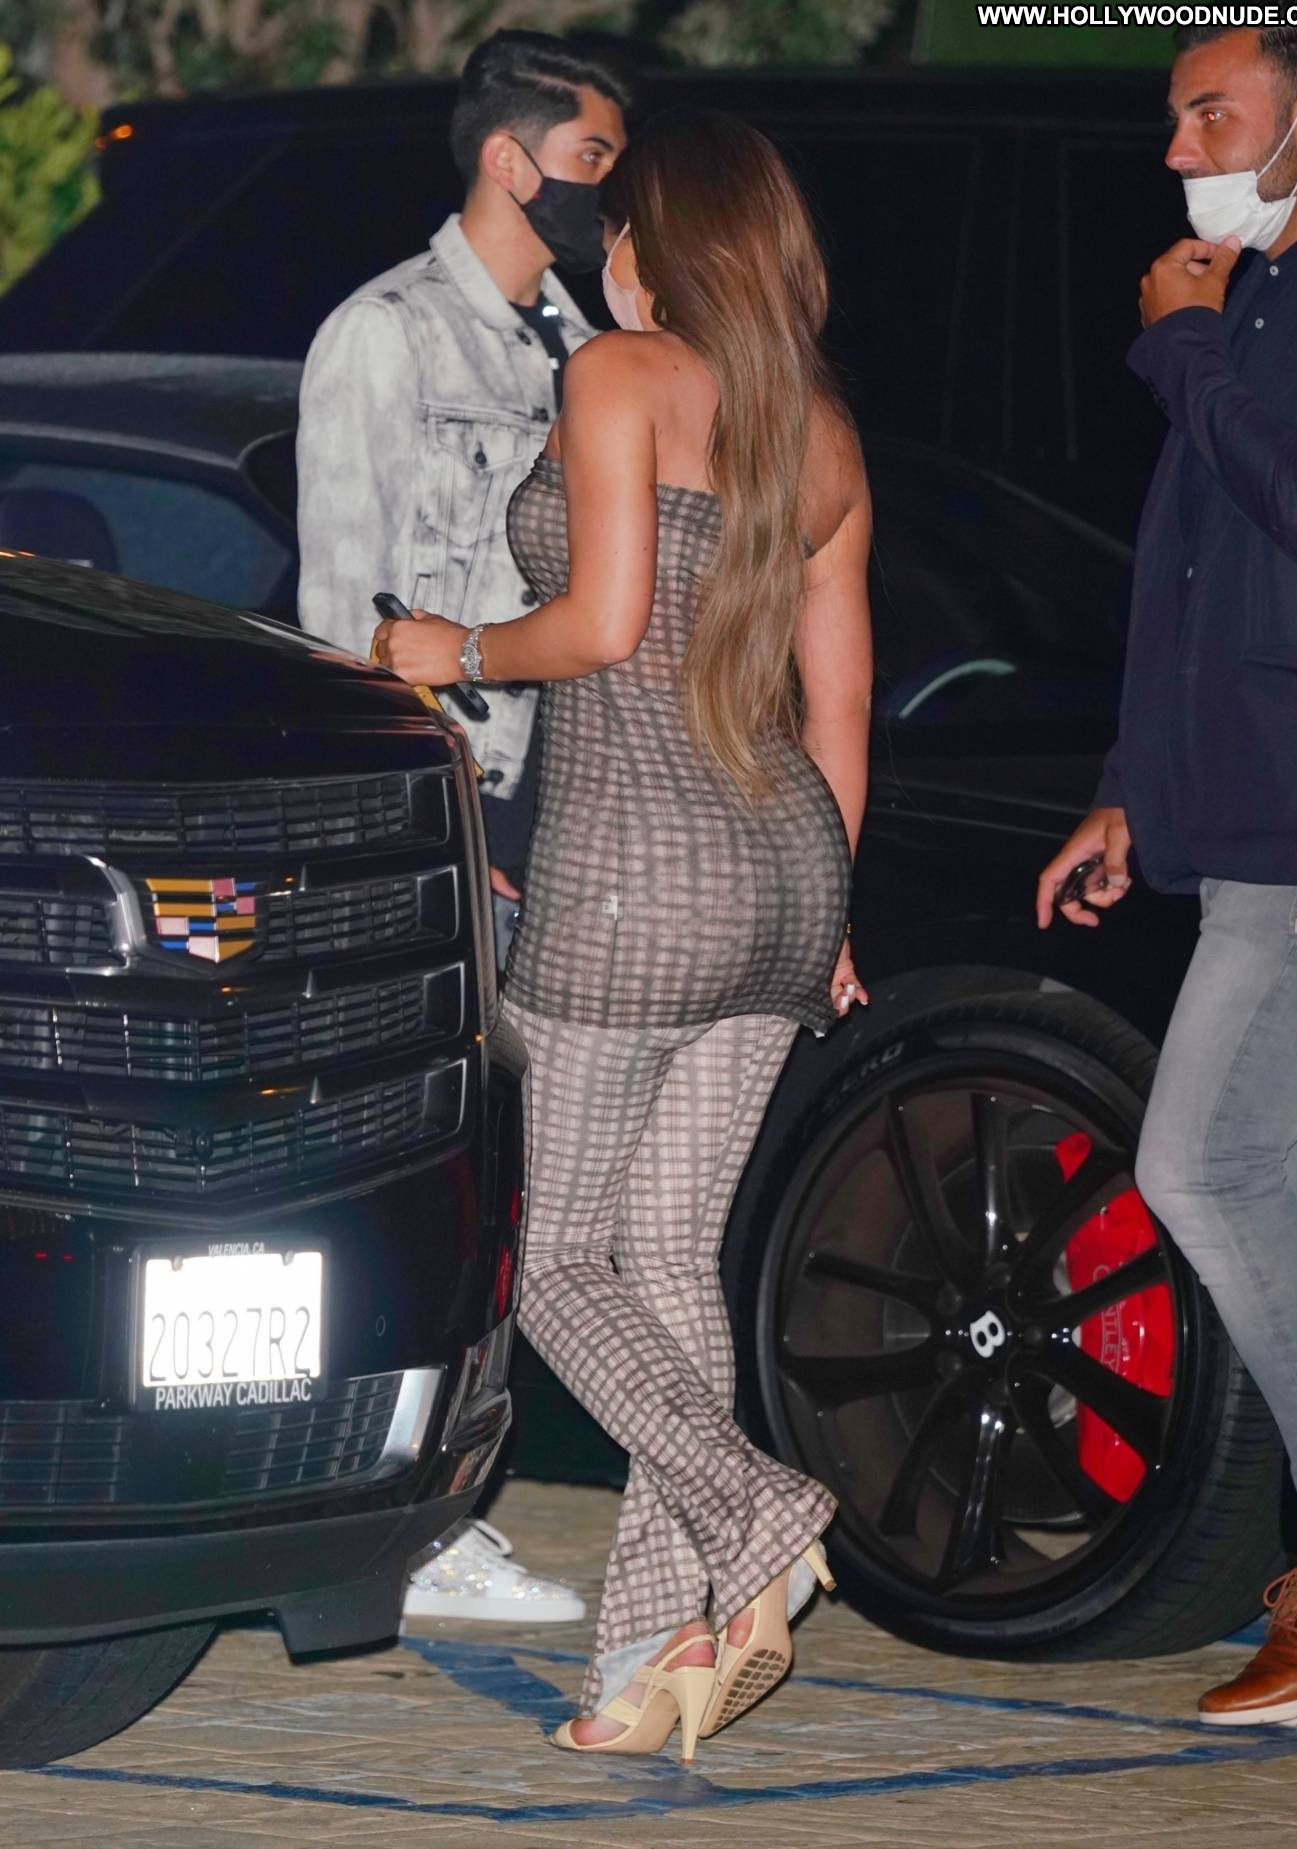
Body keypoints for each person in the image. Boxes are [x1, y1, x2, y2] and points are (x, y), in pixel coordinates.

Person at [373, 107, 873, 1757]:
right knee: (665, 1265)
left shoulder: (620, 375)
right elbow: (841, 709)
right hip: (785, 873)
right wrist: (830, 914)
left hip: (634, 880)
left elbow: (599, 626)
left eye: (620, 231)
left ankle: (758, 1506)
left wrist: (448, 649)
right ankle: (650, 1661)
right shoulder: (822, 431)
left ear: (659, 243)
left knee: (559, 1265)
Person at [1037, 23, 1297, 1732]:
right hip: (1246, 819)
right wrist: (1127, 794)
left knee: (1205, 1162)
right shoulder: (1257, 295)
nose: (1178, 151)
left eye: (1211, 116)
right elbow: (1194, 576)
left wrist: (1181, 349)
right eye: (1173, 119)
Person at [297, 26, 633, 1626]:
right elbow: (341, 617)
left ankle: (443, 1501)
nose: (609, 191)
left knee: (535, 1180)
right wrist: (436, 818)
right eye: (590, 160)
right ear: (512, 160)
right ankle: (416, 1526)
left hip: (585, 801)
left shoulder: (589, 335)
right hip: (464, 797)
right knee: (451, 1169)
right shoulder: (384, 335)